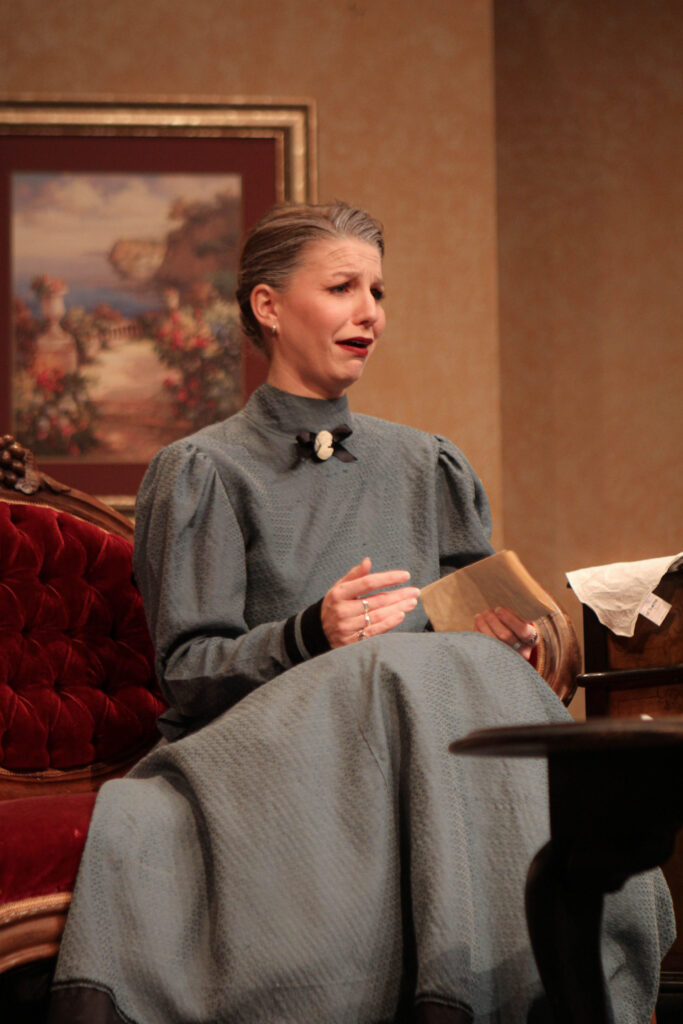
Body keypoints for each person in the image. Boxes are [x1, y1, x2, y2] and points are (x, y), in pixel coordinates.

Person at [49, 202, 674, 1024]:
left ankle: (548, 981)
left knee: (444, 667)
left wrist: (504, 639)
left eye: (377, 291)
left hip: (425, 748)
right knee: (397, 669)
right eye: (342, 287)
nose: (370, 312)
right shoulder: (202, 470)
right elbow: (189, 675)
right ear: (268, 307)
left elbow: (469, 619)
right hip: (265, 755)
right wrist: (310, 633)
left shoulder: (425, 463)